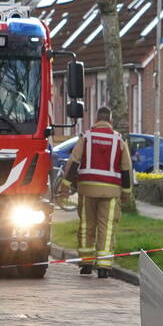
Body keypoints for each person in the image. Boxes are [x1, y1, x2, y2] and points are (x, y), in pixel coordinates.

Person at [61, 106, 133, 278]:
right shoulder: (119, 141)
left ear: (96, 120)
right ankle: (104, 266)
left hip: (87, 190)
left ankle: (86, 263)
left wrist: (65, 185)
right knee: (106, 228)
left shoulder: (86, 137)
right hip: (111, 192)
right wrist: (126, 193)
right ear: (110, 121)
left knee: (86, 225)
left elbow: (74, 161)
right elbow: (126, 169)